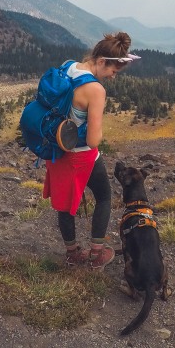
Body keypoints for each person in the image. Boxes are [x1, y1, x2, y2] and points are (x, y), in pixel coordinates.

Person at [41, 32, 140, 269]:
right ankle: (97, 254)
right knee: (104, 196)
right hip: (81, 155)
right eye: (113, 71)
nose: (113, 77)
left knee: (64, 204)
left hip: (56, 149)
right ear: (102, 61)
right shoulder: (95, 89)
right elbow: (94, 140)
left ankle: (72, 253)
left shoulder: (68, 66)